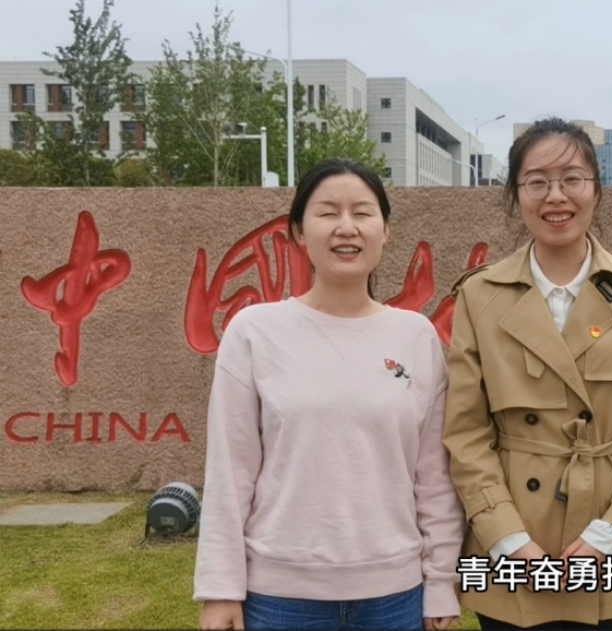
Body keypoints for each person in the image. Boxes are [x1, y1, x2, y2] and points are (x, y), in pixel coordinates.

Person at [193, 158, 466, 631]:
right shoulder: (255, 331)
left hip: (394, 597)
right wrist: (221, 590)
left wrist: (441, 582)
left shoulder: (415, 336)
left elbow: (434, 476)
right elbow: (230, 472)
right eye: (327, 212)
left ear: (385, 230)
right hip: (279, 599)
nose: (346, 227)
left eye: (362, 212)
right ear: (299, 232)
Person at [442, 117, 612, 629]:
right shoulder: (480, 297)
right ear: (515, 194)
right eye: (537, 182)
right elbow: (465, 431)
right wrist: (507, 538)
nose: (556, 196)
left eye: (572, 179)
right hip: (512, 535)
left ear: (596, 189)